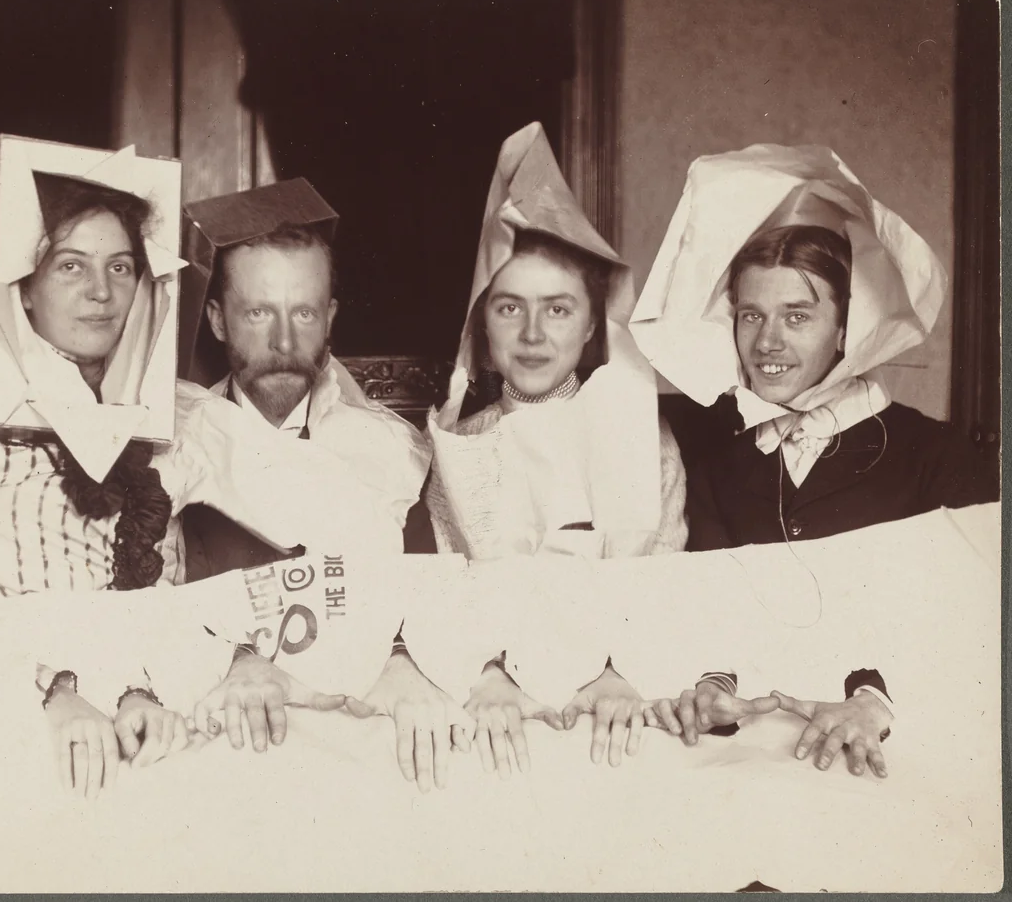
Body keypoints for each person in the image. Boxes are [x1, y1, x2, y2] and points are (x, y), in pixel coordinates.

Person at [0, 145, 345, 889]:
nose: (101, 291)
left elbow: (166, 614)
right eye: (71, 265)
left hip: (125, 729)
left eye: (121, 267)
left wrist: (144, 693)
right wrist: (53, 694)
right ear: (21, 288)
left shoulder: (160, 428)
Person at [630, 143, 995, 774]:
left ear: (848, 327)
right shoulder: (708, 443)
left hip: (887, 749)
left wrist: (879, 700)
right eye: (751, 316)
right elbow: (703, 593)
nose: (767, 343)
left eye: (797, 316)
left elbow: (977, 624)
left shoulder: (937, 456)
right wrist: (712, 683)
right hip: (744, 749)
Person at [422, 122, 689, 778]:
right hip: (496, 702)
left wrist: (622, 671)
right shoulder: (459, 445)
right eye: (510, 309)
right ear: (482, 328)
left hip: (616, 696)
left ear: (593, 322)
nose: (534, 334)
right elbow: (445, 590)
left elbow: (662, 577)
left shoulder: (640, 435)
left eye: (559, 309)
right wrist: (483, 672)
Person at [175, 179, 441, 767]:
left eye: (304, 312)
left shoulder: (390, 451)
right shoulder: (180, 444)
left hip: (359, 718)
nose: (284, 341)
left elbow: (424, 594)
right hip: (220, 720)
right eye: (257, 313)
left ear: (330, 319)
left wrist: (402, 656)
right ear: (218, 319)